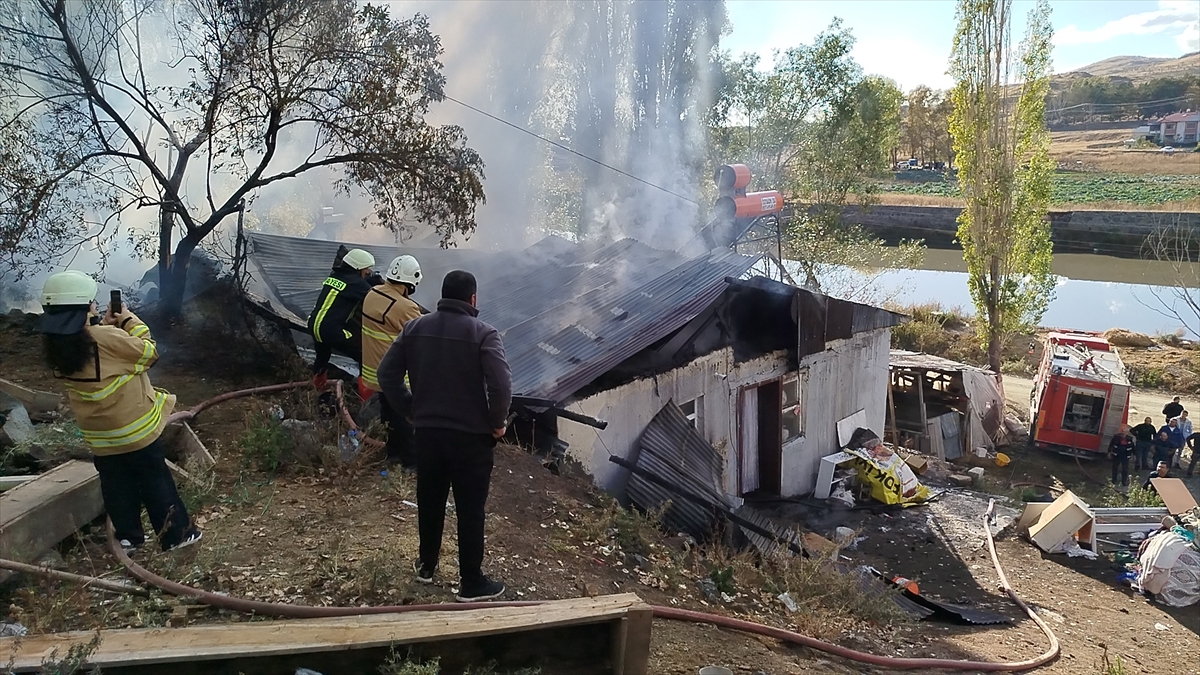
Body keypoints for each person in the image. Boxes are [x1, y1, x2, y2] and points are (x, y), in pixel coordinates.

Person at [38, 271, 200, 552]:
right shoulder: (106, 338)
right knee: (155, 481)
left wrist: (99, 325)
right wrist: (126, 320)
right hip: (135, 431)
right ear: (83, 306)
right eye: (90, 302)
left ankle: (129, 538)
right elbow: (148, 352)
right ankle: (177, 536)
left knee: (116, 486)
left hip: (100, 438)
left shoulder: (57, 348)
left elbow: (92, 350)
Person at [377, 270, 512, 602]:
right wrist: (497, 423)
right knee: (470, 509)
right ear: (473, 299)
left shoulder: (415, 327)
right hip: (471, 440)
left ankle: (426, 566)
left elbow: (386, 374)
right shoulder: (484, 334)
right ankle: (471, 582)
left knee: (430, 500)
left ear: (442, 295)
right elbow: (501, 384)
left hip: (427, 435)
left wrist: (410, 408)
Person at [361, 255, 423, 468]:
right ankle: (411, 463)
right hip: (397, 376)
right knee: (407, 417)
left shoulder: (371, 294)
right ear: (410, 282)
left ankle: (393, 454)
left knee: (388, 414)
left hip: (374, 372)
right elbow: (423, 336)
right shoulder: (406, 307)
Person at [307, 248, 377, 381]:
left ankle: (320, 391)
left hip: (314, 325)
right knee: (365, 358)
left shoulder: (335, 276)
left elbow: (350, 286)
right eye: (367, 269)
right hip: (333, 331)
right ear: (358, 267)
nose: (368, 272)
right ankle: (366, 398)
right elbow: (377, 297)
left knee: (322, 359)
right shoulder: (356, 283)